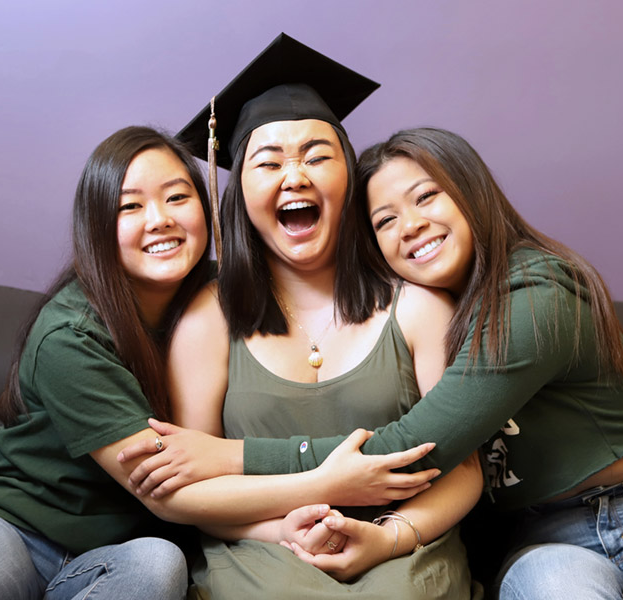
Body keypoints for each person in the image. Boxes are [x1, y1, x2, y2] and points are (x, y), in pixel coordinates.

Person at [0, 125, 436, 600]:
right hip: (14, 525)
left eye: (176, 197)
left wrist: (280, 527)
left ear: (205, 206)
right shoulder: (70, 335)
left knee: (158, 564)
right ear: (98, 225)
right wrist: (329, 481)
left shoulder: (225, 300)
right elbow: (169, 487)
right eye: (130, 207)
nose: (160, 219)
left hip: (119, 551)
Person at [289, 126, 623, 598]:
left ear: (472, 195)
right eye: (385, 221)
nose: (410, 225)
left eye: (427, 196)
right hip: (544, 538)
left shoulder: (536, 292)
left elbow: (413, 447)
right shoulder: (417, 330)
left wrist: (230, 460)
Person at [125, 34, 484, 599]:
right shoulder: (208, 319)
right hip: (260, 548)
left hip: (403, 546)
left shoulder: (417, 307)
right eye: (269, 163)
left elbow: (463, 470)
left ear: (351, 180)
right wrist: (281, 523)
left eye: (317, 157)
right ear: (240, 190)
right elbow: (190, 484)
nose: (295, 176)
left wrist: (390, 534)